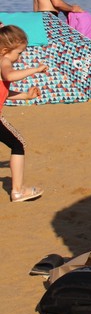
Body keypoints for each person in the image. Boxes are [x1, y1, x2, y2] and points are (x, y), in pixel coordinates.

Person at [0, 25, 46, 202]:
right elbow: (10, 76)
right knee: (18, 144)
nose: (20, 58)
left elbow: (3, 93)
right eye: (18, 53)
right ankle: (17, 191)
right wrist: (35, 70)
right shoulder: (4, 61)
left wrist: (25, 96)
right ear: (5, 50)